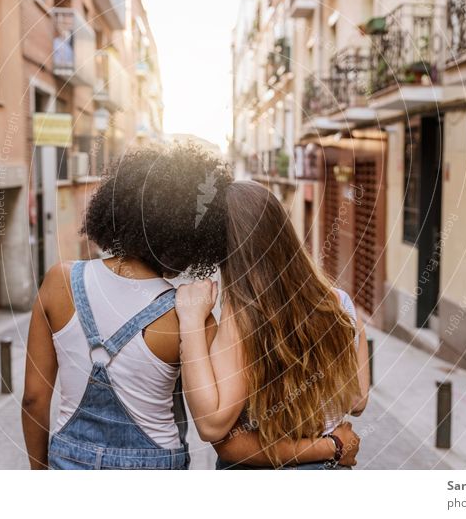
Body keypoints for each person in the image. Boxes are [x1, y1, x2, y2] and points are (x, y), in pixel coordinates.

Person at [21, 147, 359, 469]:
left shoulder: (59, 281)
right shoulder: (186, 315)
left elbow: (34, 399)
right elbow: (218, 422)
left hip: (70, 460)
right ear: (191, 239)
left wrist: (40, 473)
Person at [176, 180, 370, 469]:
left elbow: (213, 426)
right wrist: (333, 444)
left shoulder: (241, 319)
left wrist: (191, 321)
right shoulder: (341, 305)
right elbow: (357, 401)